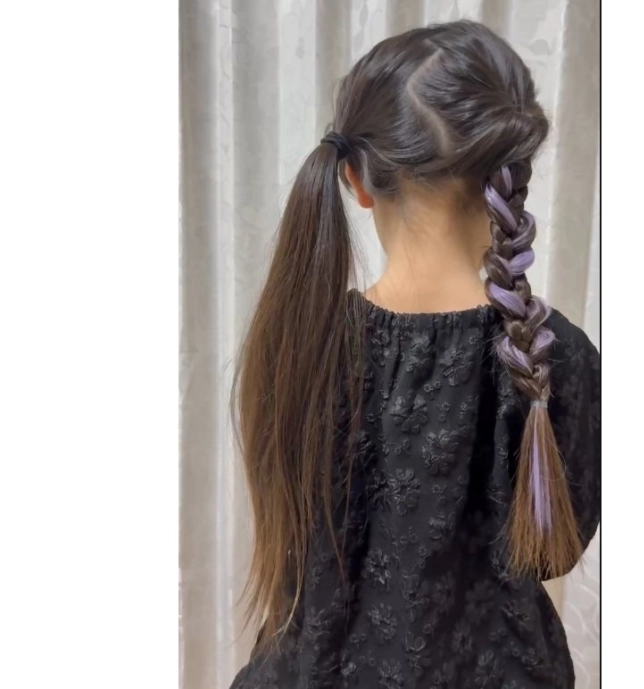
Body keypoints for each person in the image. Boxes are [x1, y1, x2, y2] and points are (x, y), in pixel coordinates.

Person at [230, 20, 600, 689]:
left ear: (356, 179)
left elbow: (290, 532)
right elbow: (552, 553)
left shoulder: (299, 344)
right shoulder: (558, 355)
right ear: (509, 172)